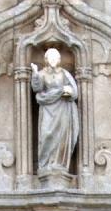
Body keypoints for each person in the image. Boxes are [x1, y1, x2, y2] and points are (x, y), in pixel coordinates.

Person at [31, 47, 79, 176]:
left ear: (59, 60)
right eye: (50, 57)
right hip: (47, 108)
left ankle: (59, 165)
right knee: (47, 133)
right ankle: (45, 165)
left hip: (63, 108)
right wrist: (35, 74)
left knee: (61, 137)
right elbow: (37, 88)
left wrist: (68, 91)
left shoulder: (64, 73)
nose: (53, 60)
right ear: (46, 60)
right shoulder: (41, 74)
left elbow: (74, 92)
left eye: (55, 57)